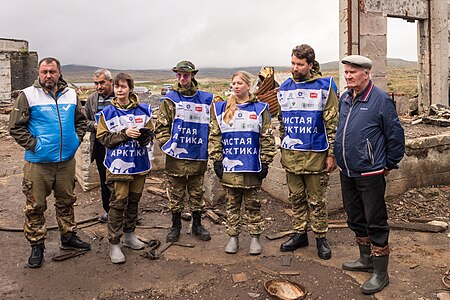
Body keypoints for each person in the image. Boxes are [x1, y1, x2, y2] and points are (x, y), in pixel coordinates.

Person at [9, 57, 90, 268]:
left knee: (66, 201)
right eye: (44, 71)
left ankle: (68, 236)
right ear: (39, 72)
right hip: (39, 163)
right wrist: (36, 145)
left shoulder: (71, 94)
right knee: (36, 205)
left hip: (65, 162)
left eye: (52, 71)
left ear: (59, 72)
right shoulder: (27, 95)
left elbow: (80, 121)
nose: (48, 76)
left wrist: (75, 140)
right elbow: (16, 127)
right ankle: (37, 245)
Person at [335, 55, 405, 294]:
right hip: (347, 171)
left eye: (353, 72)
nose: (348, 76)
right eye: (346, 72)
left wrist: (390, 163)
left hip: (370, 172)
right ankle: (365, 259)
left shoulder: (380, 100)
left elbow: (395, 135)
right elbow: (342, 131)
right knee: (355, 217)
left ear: (366, 73)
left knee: (375, 221)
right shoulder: (345, 98)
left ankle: (380, 273)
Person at [277, 44, 338, 260]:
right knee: (296, 198)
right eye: (293, 63)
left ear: (310, 65)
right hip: (291, 156)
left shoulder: (325, 86)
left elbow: (332, 123)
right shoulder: (284, 87)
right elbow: (283, 123)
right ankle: (299, 234)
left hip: (316, 155)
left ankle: (321, 238)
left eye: (300, 64)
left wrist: (332, 154)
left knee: (317, 200)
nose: (295, 68)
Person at [209, 71, 276, 255]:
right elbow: (215, 136)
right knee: (232, 204)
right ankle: (233, 237)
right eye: (233, 83)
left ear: (248, 85)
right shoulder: (221, 108)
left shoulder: (260, 109)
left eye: (240, 83)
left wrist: (266, 161)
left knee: (253, 204)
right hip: (230, 168)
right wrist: (217, 160)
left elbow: (267, 138)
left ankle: (255, 238)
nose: (236, 86)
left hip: (252, 166)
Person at [96, 72, 154, 264]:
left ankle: (129, 235)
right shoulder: (107, 113)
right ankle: (114, 243)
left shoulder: (144, 111)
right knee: (118, 202)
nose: (120, 90)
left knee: (134, 200)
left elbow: (150, 134)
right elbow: (103, 139)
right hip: (117, 165)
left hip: (138, 163)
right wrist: (124, 134)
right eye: (117, 87)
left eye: (124, 86)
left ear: (130, 88)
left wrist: (144, 136)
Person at [155, 61, 213, 243]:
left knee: (197, 193)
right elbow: (161, 127)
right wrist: (168, 145)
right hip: (176, 159)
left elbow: (213, 127)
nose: (182, 78)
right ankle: (175, 226)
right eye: (179, 75)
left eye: (186, 75)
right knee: (176, 194)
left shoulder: (204, 99)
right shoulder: (170, 99)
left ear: (193, 75)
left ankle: (197, 225)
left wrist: (208, 147)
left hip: (197, 157)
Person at [84, 69, 114, 223]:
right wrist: (94, 126)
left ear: (111, 81)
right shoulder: (91, 100)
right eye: (96, 83)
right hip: (101, 147)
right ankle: (108, 211)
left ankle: (128, 214)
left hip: (121, 147)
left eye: (102, 82)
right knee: (105, 180)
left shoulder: (121, 95)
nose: (99, 86)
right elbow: (84, 121)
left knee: (124, 179)